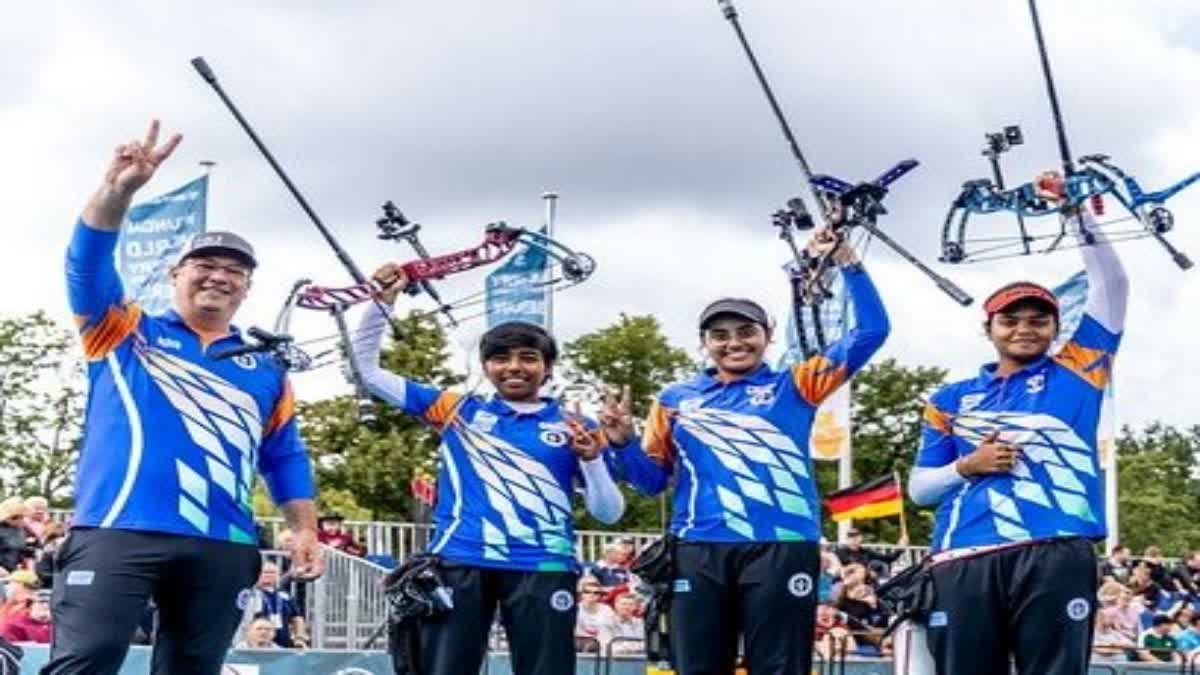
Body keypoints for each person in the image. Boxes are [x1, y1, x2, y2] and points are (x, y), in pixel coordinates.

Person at [49, 120, 323, 675]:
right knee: (87, 660)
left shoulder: (266, 367)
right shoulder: (122, 331)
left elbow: (285, 454)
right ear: (176, 274)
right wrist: (118, 189)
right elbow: (85, 264)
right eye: (206, 265)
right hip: (118, 528)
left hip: (222, 543)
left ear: (247, 287)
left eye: (235, 271)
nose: (219, 277)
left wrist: (305, 528)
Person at [614, 225, 890, 675]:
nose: (734, 342)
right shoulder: (674, 398)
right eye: (720, 334)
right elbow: (651, 482)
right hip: (699, 547)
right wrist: (623, 441)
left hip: (780, 543)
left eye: (746, 331)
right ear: (705, 342)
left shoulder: (795, 383)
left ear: (768, 334)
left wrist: (847, 262)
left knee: (779, 667)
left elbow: (872, 331)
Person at [351, 263, 627, 675]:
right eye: (500, 358)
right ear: (486, 367)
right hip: (460, 560)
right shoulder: (456, 410)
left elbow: (610, 513)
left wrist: (593, 461)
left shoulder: (576, 426)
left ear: (547, 368)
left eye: (528, 358)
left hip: (544, 564)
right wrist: (381, 303)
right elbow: (367, 371)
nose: (514, 366)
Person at [908, 172, 1129, 675]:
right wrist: (969, 465)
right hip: (964, 556)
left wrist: (1075, 211)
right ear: (988, 329)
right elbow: (921, 490)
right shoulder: (950, 398)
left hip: (1054, 552)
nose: (1024, 329)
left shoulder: (1078, 371)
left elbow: (1112, 285)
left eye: (1037, 320)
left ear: (1055, 327)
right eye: (1010, 320)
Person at [241, 562, 301, 648]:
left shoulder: (285, 595)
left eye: (272, 572)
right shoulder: (250, 594)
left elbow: (297, 617)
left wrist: (300, 637)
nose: (269, 575)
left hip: (283, 642)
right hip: (257, 642)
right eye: (265, 572)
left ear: (278, 575)